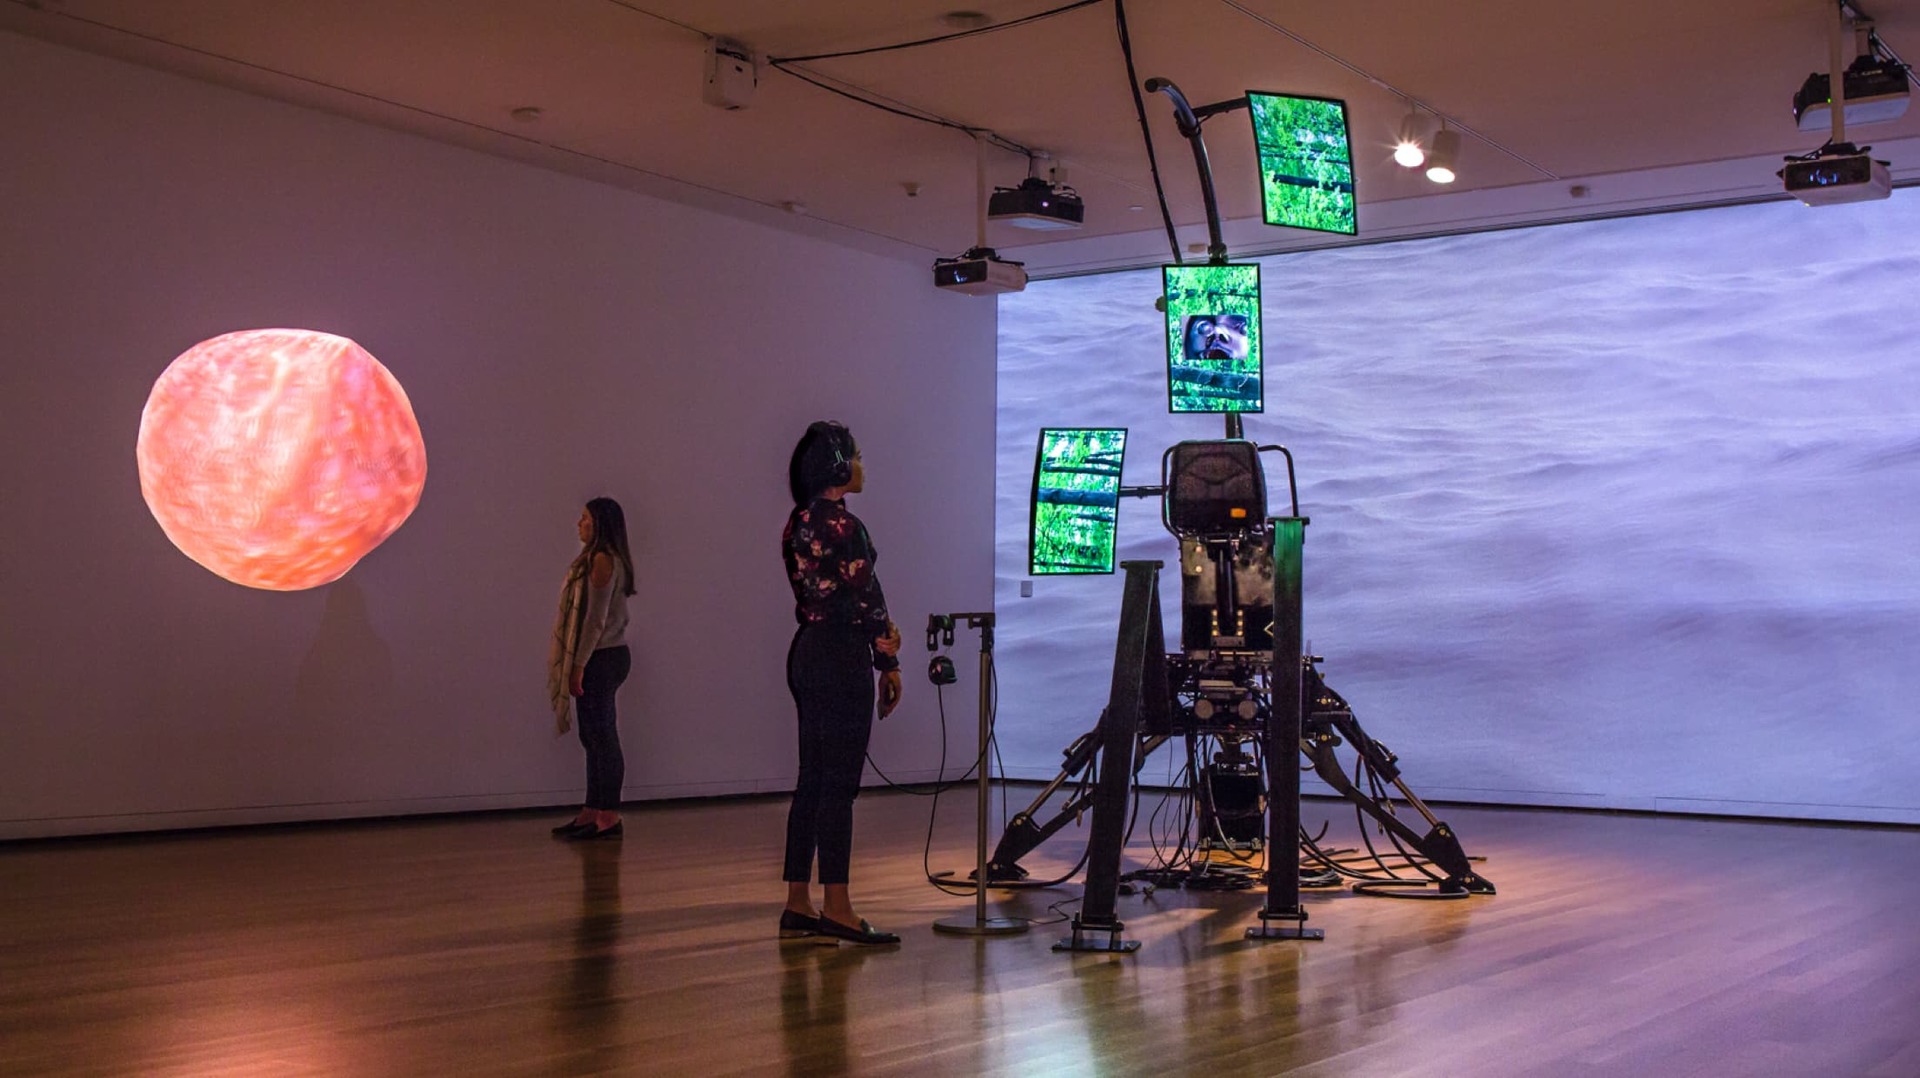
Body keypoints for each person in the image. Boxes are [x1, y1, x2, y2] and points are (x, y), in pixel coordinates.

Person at [779, 421, 904, 945]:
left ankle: (798, 902)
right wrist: (887, 658)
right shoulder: (845, 526)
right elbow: (866, 597)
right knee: (839, 787)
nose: (863, 464)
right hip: (840, 657)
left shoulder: (796, 522)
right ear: (837, 464)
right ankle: (839, 906)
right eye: (856, 455)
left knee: (812, 778)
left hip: (806, 651)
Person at [548, 497, 636, 840]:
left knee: (603, 736)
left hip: (603, 657)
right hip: (602, 656)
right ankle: (592, 808)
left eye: (584, 518)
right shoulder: (598, 559)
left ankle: (607, 814)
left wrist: (578, 665)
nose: (578, 523)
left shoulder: (602, 561)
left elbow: (595, 621)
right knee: (592, 736)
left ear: (598, 524)